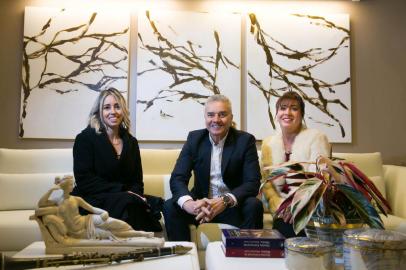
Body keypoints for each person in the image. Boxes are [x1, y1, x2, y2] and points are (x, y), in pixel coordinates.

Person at [163, 94, 263, 241]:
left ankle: (247, 256)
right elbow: (178, 178)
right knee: (170, 206)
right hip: (201, 207)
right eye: (211, 115)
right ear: (205, 117)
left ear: (231, 117)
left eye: (222, 114)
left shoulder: (245, 141)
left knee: (254, 205)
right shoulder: (194, 139)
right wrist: (189, 204)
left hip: (231, 207)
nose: (216, 120)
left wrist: (224, 201)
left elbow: (252, 182)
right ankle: (184, 256)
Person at [72, 88, 162, 232]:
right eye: (107, 107)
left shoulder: (131, 142)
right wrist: (123, 191)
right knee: (134, 204)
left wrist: (133, 194)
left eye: (117, 106)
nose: (113, 111)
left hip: (124, 199)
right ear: (99, 112)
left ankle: (140, 247)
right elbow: (85, 180)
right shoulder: (85, 139)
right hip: (92, 199)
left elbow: (137, 181)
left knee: (145, 204)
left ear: (123, 111)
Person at [261, 91, 331, 238]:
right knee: (284, 223)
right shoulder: (268, 143)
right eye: (283, 107)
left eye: (294, 108)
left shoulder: (317, 138)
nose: (287, 112)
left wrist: (298, 207)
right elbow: (267, 186)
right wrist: (281, 207)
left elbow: (320, 180)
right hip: (281, 210)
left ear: (301, 114)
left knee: (291, 226)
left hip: (310, 207)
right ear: (277, 113)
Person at [36, 175, 154, 241]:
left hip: (87, 220)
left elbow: (91, 208)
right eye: (71, 184)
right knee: (110, 234)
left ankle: (140, 233)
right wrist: (51, 190)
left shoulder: (76, 199)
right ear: (65, 186)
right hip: (79, 231)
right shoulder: (58, 201)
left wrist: (103, 212)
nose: (73, 186)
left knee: (119, 225)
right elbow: (42, 203)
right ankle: (141, 235)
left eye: (72, 184)